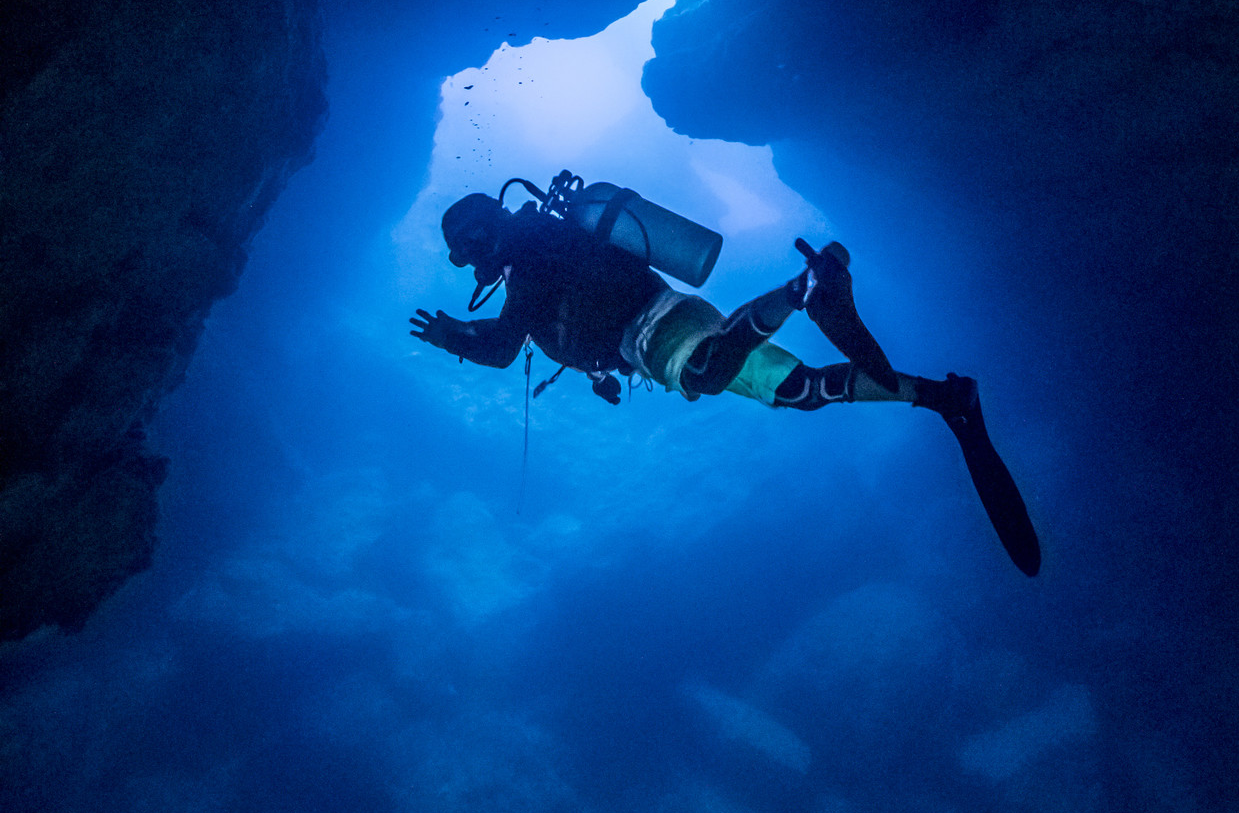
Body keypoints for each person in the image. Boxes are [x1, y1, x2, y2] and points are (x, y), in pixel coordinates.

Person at [409, 191, 1041, 575]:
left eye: (464, 251)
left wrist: (448, 337)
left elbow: (498, 349)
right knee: (797, 392)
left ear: (481, 240)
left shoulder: (533, 270)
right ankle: (944, 398)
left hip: (654, 337)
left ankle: (802, 291)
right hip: (677, 316)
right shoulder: (555, 238)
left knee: (707, 375)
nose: (466, 263)